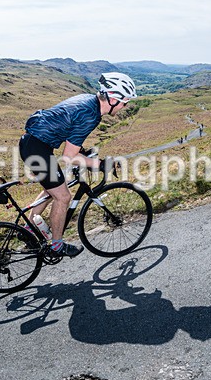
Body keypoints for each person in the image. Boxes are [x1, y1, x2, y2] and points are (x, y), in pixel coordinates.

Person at [19, 72, 137, 258]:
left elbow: (69, 128)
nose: (125, 106)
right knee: (63, 197)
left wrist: (83, 153)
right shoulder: (91, 114)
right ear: (113, 98)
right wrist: (100, 164)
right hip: (37, 148)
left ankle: (28, 229)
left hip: (33, 143)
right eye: (125, 101)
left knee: (54, 187)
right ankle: (57, 247)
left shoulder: (89, 100)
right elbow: (69, 157)